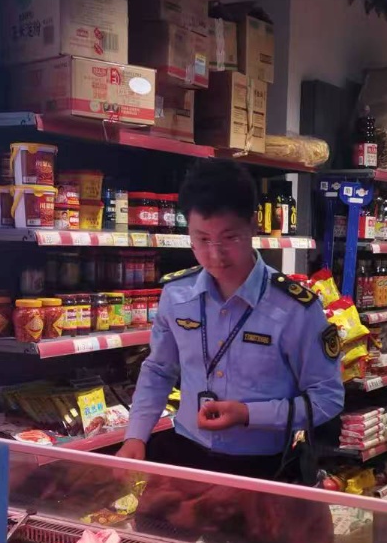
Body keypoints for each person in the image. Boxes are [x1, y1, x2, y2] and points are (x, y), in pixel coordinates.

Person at [119, 160, 344, 474]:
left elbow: (327, 398)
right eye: (201, 239)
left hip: (264, 466)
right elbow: (159, 370)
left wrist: (248, 414)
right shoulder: (177, 294)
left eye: (229, 238)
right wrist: (136, 436)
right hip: (187, 453)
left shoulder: (295, 308)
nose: (215, 255)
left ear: (252, 225)